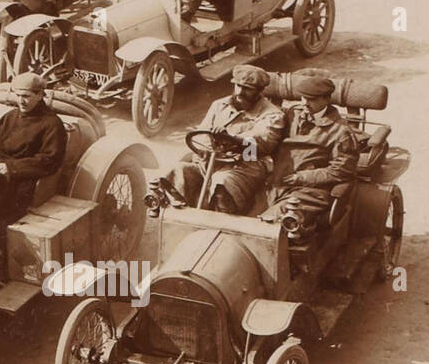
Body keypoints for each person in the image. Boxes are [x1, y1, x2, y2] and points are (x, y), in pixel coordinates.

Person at [154, 65, 286, 214]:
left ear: (260, 91)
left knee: (221, 183)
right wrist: (204, 149)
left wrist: (233, 139)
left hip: (247, 164)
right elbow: (201, 133)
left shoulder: (272, 115)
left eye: (247, 89)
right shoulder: (219, 105)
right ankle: (182, 219)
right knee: (175, 172)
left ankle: (223, 223)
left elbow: (262, 142)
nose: (240, 92)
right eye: (238, 86)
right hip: (210, 161)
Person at [262, 73, 359, 242]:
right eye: (303, 98)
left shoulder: (341, 132)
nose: (305, 103)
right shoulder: (291, 115)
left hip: (310, 191)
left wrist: (301, 178)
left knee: (270, 224)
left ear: (326, 99)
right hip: (276, 183)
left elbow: (341, 171)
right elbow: (269, 135)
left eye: (312, 99)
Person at [0, 71, 67, 222]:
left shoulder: (52, 124)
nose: (21, 101)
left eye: (26, 96)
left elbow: (50, 160)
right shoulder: (10, 116)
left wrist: (12, 167)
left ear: (40, 95)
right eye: (18, 95)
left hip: (19, 176)